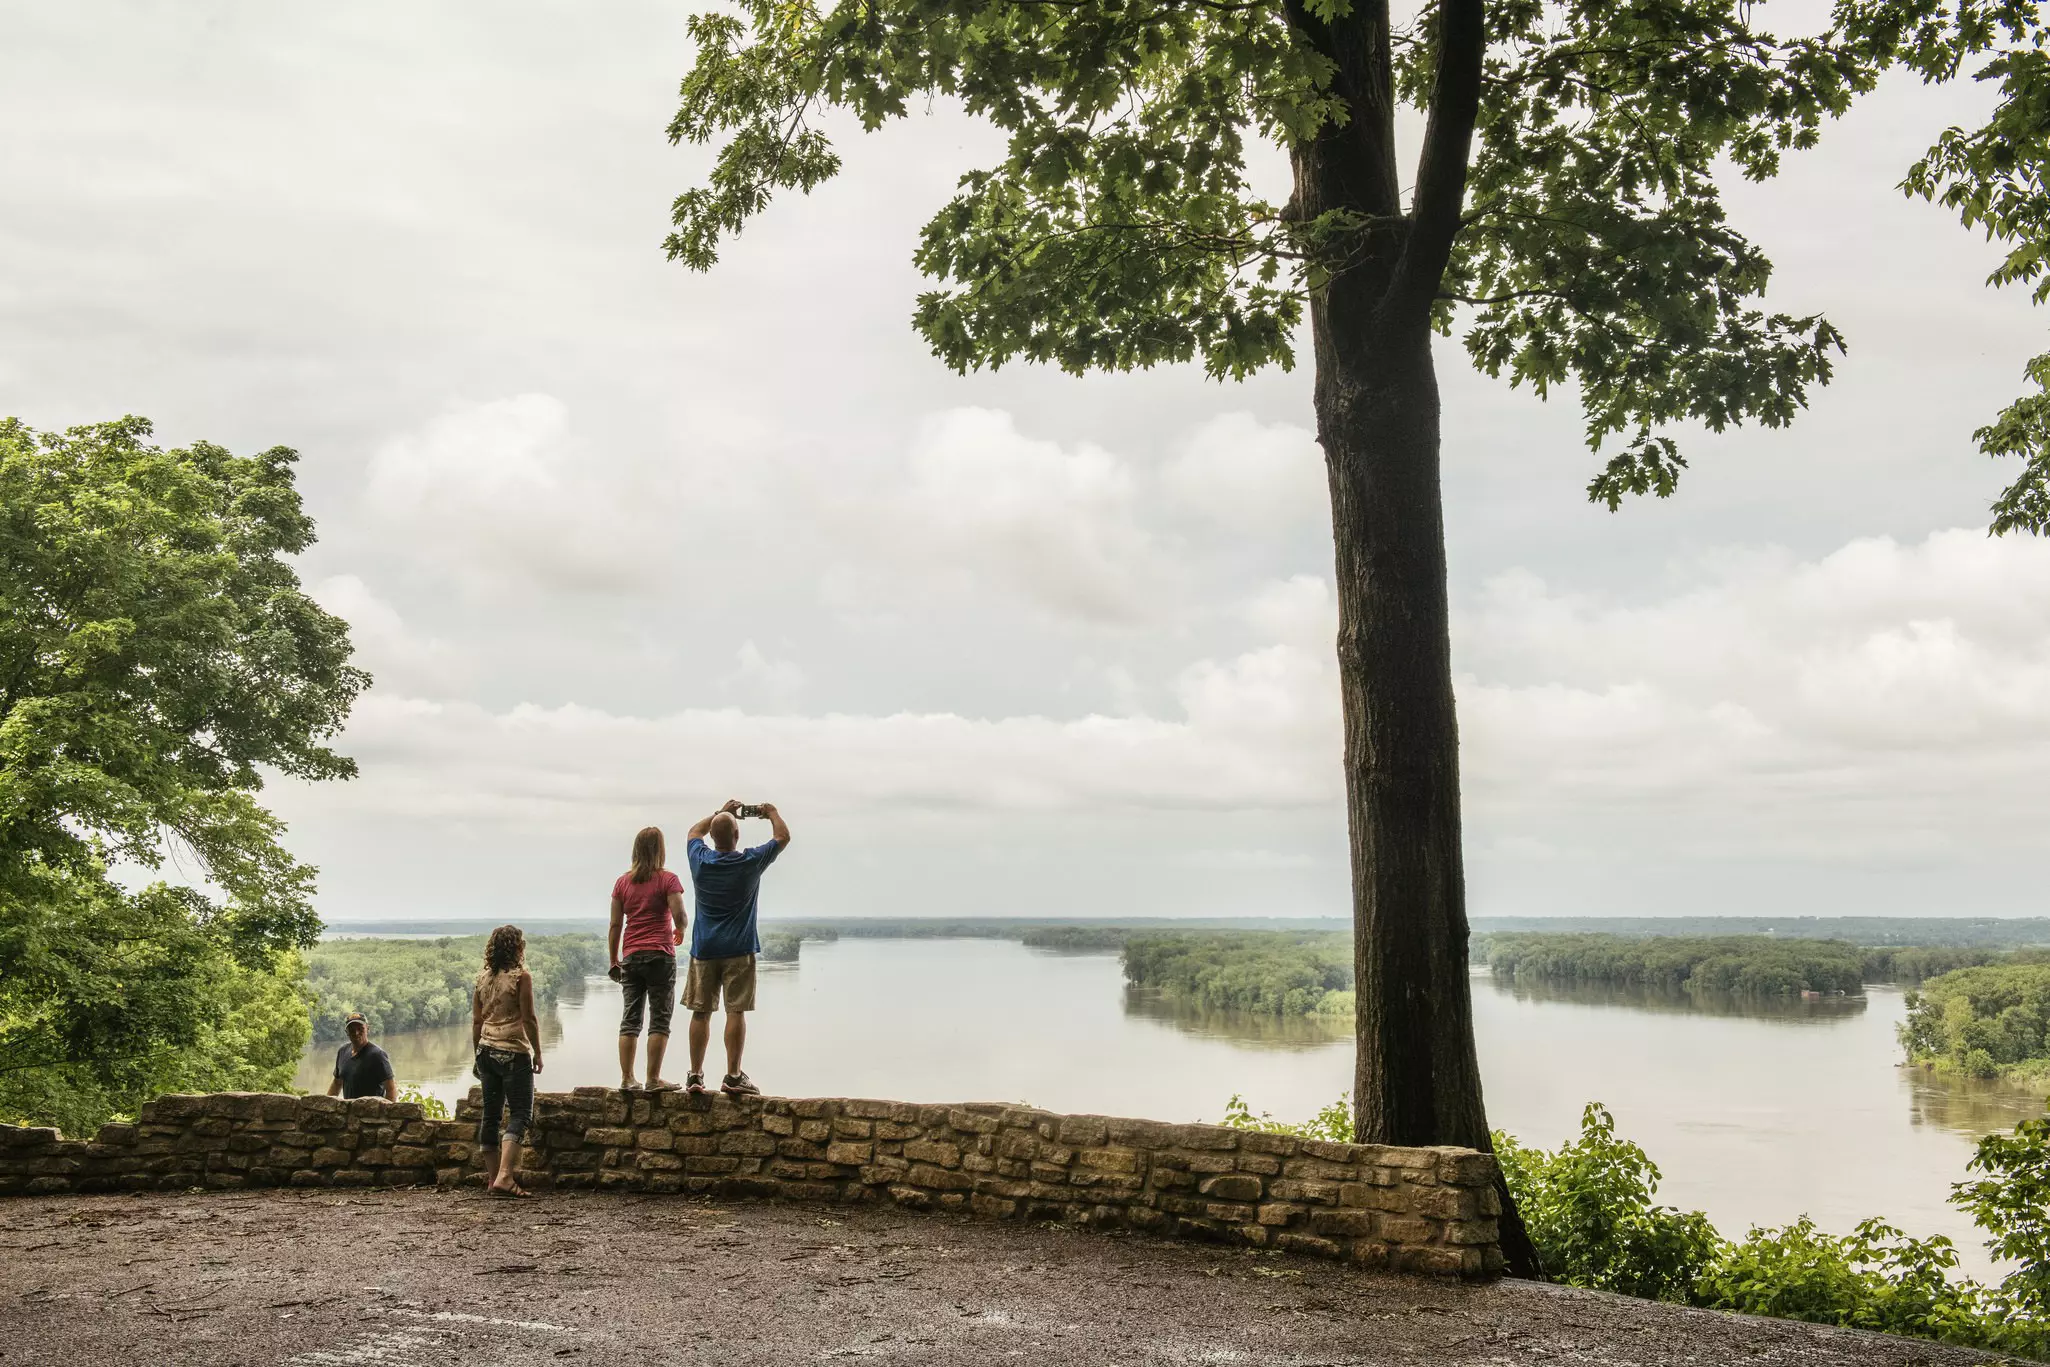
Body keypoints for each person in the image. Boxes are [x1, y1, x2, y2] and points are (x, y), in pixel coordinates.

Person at [683, 799, 790, 1097]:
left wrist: (719, 812)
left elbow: (693, 832)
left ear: (713, 838)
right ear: (738, 836)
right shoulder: (749, 862)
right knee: (735, 1011)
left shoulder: (700, 861)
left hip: (704, 950)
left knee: (700, 1012)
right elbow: (782, 837)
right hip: (739, 950)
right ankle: (732, 1075)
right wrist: (771, 813)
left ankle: (695, 1075)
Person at [609, 825, 687, 1091]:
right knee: (660, 1018)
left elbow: (615, 925)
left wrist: (613, 960)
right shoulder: (668, 880)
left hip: (630, 956)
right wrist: (682, 929)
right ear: (661, 850)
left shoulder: (622, 883)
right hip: (660, 956)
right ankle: (653, 1079)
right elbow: (680, 915)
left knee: (630, 1018)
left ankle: (628, 1078)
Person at [472, 924, 544, 1198]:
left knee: (490, 1116)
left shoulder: (481, 979)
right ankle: (505, 1177)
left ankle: (493, 1179)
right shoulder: (520, 977)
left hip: (486, 1050)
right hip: (513, 1052)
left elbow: (477, 1021)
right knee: (520, 1114)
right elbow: (529, 1019)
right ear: (518, 948)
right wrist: (538, 1051)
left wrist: (476, 1055)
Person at [327, 1012, 397, 1102]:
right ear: (346, 1032)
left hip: (371, 1113)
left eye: (360, 1029)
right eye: (351, 1030)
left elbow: (391, 1089)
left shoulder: (377, 1055)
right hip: (349, 1113)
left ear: (367, 1029)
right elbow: (337, 1083)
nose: (356, 1033)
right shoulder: (342, 1051)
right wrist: (326, 1105)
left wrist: (386, 1113)